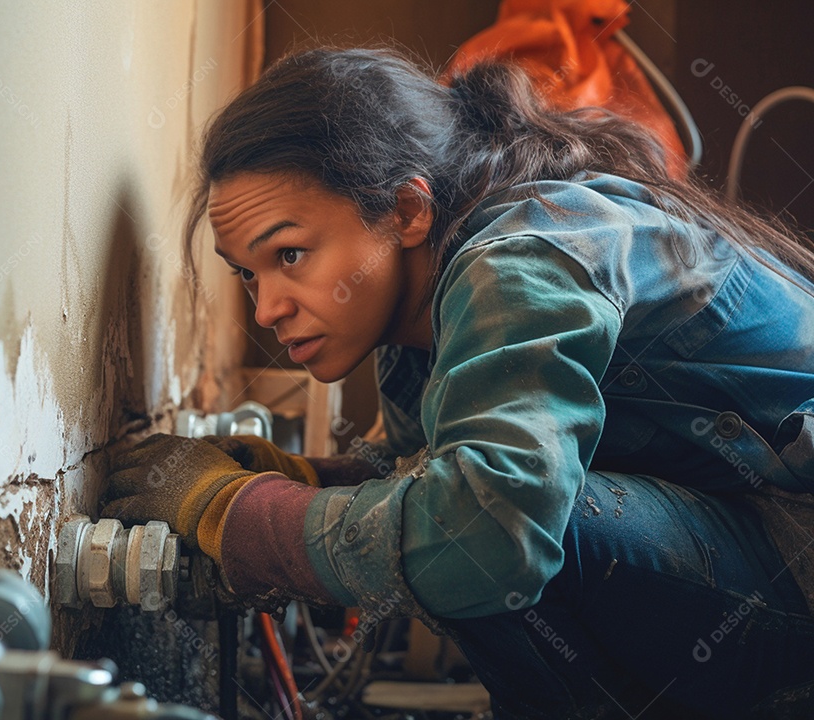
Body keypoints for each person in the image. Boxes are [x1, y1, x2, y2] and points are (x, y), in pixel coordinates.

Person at [103, 48, 814, 719]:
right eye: (249, 273)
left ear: (409, 211)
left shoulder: (519, 260)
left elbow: (491, 527)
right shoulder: (413, 317)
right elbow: (444, 474)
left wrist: (238, 513)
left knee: (501, 522)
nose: (267, 308)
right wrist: (309, 480)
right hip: (751, 552)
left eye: (291, 253)